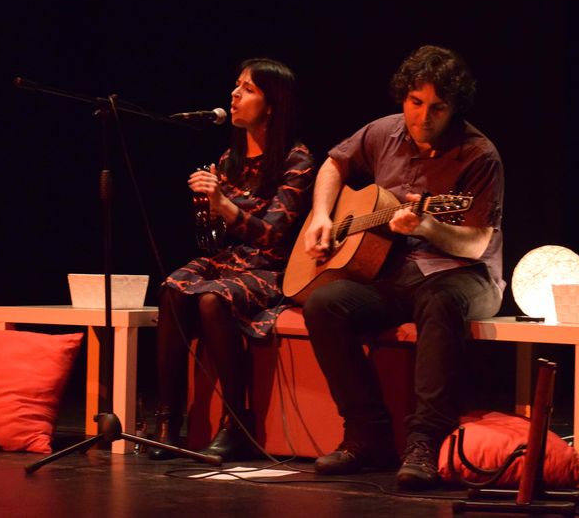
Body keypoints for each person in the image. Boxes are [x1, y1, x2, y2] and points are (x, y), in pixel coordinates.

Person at [301, 45, 504, 489]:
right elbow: (335, 162)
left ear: (455, 108)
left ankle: (425, 442)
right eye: (416, 102)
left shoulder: (479, 155)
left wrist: (430, 226)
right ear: (403, 97)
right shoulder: (382, 131)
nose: (423, 116)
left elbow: (475, 243)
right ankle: (366, 434)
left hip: (466, 275)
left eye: (437, 107)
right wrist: (321, 215)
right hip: (393, 274)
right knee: (324, 303)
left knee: (438, 299)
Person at [150, 58, 315, 462]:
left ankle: (236, 423)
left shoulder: (298, 159)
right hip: (229, 260)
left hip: (270, 268)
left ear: (272, 104)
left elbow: (273, 235)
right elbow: (211, 243)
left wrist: (222, 203)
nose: (235, 95)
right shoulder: (228, 159)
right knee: (172, 289)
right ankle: (167, 423)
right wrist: (204, 207)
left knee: (212, 299)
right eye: (236, 85)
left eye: (249, 89)